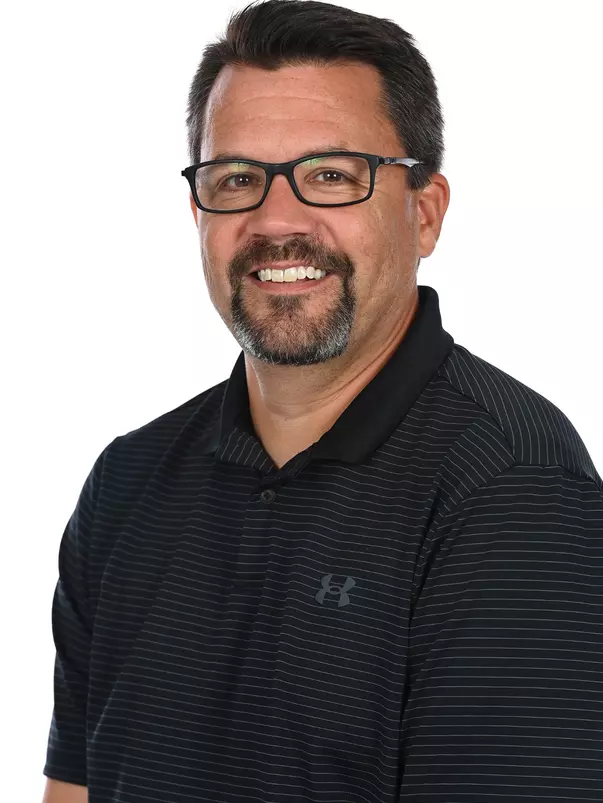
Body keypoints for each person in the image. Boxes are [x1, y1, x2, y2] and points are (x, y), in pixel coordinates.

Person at [42, 1, 603, 801]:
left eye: (331, 176)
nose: (276, 221)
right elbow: (75, 789)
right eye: (236, 178)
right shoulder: (127, 484)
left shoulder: (516, 492)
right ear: (198, 211)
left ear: (424, 212)